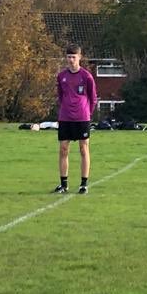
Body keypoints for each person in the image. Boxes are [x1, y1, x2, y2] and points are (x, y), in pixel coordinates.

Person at [53, 44, 97, 195]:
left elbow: (93, 98)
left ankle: (83, 184)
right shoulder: (61, 76)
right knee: (63, 149)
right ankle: (63, 184)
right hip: (65, 118)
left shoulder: (87, 76)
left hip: (82, 118)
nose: (71, 60)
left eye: (74, 57)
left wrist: (87, 114)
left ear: (80, 57)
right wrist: (64, 110)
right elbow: (60, 96)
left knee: (83, 149)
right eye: (69, 57)